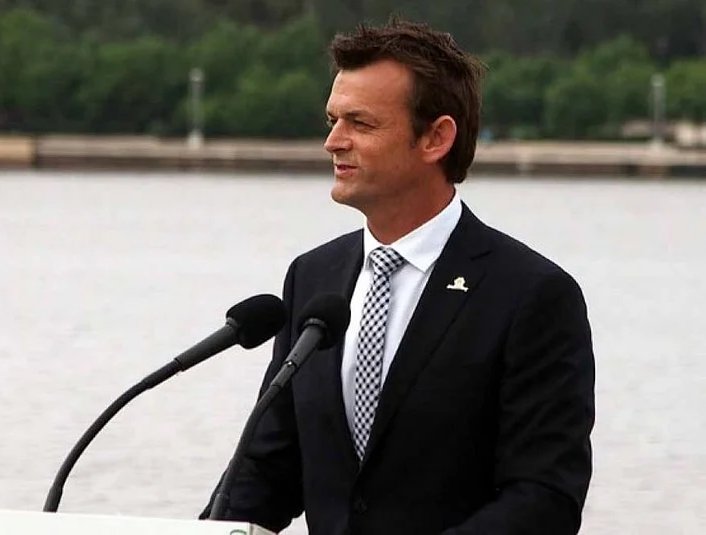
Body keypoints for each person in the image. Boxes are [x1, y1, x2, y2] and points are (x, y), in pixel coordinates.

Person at [201, 17, 595, 535]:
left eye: (360, 124)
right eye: (332, 120)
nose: (333, 142)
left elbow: (544, 498)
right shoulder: (312, 278)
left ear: (436, 138)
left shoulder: (532, 295)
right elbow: (268, 470)